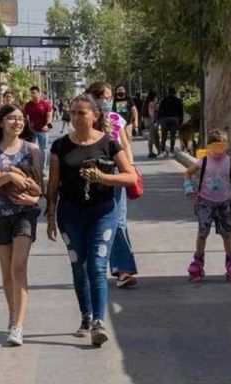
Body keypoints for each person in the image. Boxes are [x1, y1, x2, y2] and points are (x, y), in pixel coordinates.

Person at [46, 94, 136, 347]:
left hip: (103, 212)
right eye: (73, 112)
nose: (76, 117)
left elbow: (131, 177)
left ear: (95, 115)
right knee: (79, 265)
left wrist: (103, 178)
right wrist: (50, 215)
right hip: (70, 213)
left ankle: (99, 322)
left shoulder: (109, 144)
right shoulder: (60, 146)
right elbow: (53, 184)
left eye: (81, 113)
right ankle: (85, 315)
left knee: (97, 266)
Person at [0, 104, 42, 346]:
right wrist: (8, 177)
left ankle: (18, 326)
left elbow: (39, 186)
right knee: (7, 273)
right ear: (1, 122)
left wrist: (34, 197)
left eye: (21, 119)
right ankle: (13, 313)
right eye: (12, 118)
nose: (18, 122)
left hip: (25, 213)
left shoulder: (32, 149)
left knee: (19, 267)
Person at [183, 128, 231, 282]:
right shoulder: (204, 161)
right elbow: (187, 172)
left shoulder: (230, 162)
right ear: (209, 146)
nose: (218, 149)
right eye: (214, 145)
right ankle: (198, 262)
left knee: (226, 234)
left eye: (221, 145)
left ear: (226, 146)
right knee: (203, 233)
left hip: (224, 203)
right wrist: (188, 187)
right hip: (205, 203)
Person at [86, 81, 138, 288]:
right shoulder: (86, 120)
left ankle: (122, 270)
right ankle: (95, 266)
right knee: (96, 222)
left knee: (119, 222)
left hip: (117, 176)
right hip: (94, 177)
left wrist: (130, 167)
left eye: (109, 98)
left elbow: (126, 145)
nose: (107, 101)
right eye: (103, 97)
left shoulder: (117, 119)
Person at [24, 86, 53, 172]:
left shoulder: (45, 104)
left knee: (43, 150)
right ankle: (33, 167)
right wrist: (28, 125)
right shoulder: (28, 105)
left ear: (39, 93)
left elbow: (49, 115)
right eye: (31, 93)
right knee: (32, 149)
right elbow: (25, 116)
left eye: (34, 93)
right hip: (32, 131)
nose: (33, 95)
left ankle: (42, 169)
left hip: (43, 131)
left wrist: (47, 125)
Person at [158, 87, 184, 157]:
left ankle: (162, 151)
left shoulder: (163, 100)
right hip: (174, 119)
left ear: (168, 92)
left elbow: (160, 110)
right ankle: (171, 151)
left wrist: (159, 120)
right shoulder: (178, 100)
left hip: (164, 119)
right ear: (175, 93)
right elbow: (181, 111)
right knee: (173, 136)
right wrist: (181, 121)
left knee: (164, 136)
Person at [142, 91, 160, 158]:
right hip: (152, 121)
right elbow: (151, 113)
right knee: (152, 137)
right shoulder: (152, 103)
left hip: (147, 121)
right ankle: (150, 152)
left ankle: (159, 150)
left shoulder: (146, 103)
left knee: (156, 136)